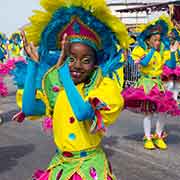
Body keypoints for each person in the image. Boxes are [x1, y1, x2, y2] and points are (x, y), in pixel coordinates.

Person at [12, 0, 129, 179]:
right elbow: (28, 108)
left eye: (86, 60)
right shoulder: (58, 90)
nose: (77, 65)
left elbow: (82, 112)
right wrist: (33, 65)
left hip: (89, 168)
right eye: (71, 58)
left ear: (95, 63)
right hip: (61, 165)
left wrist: (63, 72)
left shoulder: (103, 87)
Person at [122, 15, 180, 150]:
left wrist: (172, 52)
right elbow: (144, 63)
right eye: (155, 40)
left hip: (159, 84)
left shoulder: (161, 52)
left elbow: (171, 66)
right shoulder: (142, 50)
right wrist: (153, 50)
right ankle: (148, 138)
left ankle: (158, 136)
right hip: (147, 84)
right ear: (148, 41)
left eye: (159, 40)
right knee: (148, 112)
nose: (158, 42)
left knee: (163, 111)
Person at [161, 27, 180, 102]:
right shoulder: (165, 47)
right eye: (170, 37)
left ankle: (174, 100)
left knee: (177, 86)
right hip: (168, 68)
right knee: (170, 84)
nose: (171, 38)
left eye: (173, 37)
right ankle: (167, 99)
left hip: (177, 68)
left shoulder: (177, 47)